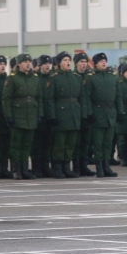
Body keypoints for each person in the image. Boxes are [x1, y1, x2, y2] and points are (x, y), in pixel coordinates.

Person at [45, 51, 87, 179]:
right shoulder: (54, 78)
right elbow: (49, 99)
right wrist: (51, 116)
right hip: (60, 114)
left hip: (74, 113)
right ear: (58, 63)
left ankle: (67, 167)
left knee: (70, 143)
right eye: (64, 60)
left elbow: (82, 98)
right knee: (60, 143)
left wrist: (83, 115)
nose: (67, 62)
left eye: (69, 60)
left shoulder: (77, 78)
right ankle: (57, 168)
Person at [2, 53, 44, 180]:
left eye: (29, 61)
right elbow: (6, 99)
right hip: (17, 115)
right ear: (19, 64)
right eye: (25, 61)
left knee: (27, 145)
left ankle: (25, 169)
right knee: (16, 144)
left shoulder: (35, 78)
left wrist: (40, 114)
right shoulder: (12, 78)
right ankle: (16, 170)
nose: (27, 64)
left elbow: (40, 98)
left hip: (31, 115)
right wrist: (8, 116)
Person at [85, 53, 124, 178]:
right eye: (101, 61)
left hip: (110, 113)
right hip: (98, 113)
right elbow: (87, 97)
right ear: (95, 63)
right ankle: (99, 167)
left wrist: (120, 112)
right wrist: (89, 113)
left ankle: (107, 166)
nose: (103, 63)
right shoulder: (91, 78)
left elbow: (118, 96)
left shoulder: (112, 77)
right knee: (98, 143)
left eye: (105, 61)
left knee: (108, 143)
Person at [73, 52, 95, 176]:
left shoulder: (89, 76)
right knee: (76, 142)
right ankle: (76, 166)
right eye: (81, 62)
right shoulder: (73, 76)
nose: (84, 64)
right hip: (75, 114)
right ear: (76, 63)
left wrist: (89, 114)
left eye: (85, 62)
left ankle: (83, 165)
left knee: (86, 142)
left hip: (88, 113)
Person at [32, 55, 54, 177]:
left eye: (49, 64)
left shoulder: (52, 78)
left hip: (49, 115)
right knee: (36, 144)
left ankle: (46, 167)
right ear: (39, 65)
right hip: (37, 114)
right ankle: (37, 168)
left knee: (47, 143)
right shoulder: (35, 78)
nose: (47, 66)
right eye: (45, 64)